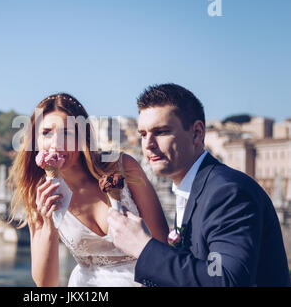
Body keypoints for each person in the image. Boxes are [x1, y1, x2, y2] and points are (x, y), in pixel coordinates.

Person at [107, 83, 290, 286]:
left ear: (197, 133)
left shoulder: (228, 192)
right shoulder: (192, 187)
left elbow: (225, 279)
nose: (148, 144)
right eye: (143, 134)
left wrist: (143, 247)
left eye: (161, 132)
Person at [8, 93, 169, 287]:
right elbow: (46, 284)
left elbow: (162, 243)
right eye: (46, 132)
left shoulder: (123, 166)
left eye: (66, 132)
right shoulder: (39, 194)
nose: (56, 144)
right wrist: (50, 223)